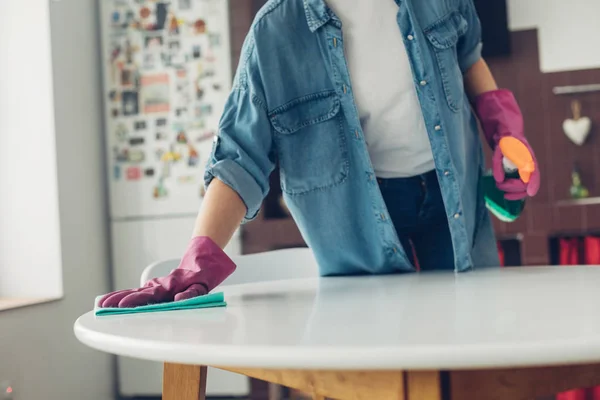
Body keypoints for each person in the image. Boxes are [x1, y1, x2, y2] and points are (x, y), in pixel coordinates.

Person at [99, 0, 540, 308]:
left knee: (469, 346)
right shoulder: (273, 34)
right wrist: (199, 257)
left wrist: (505, 132)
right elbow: (238, 160)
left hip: (452, 201)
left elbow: (469, 57)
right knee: (381, 363)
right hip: (361, 222)